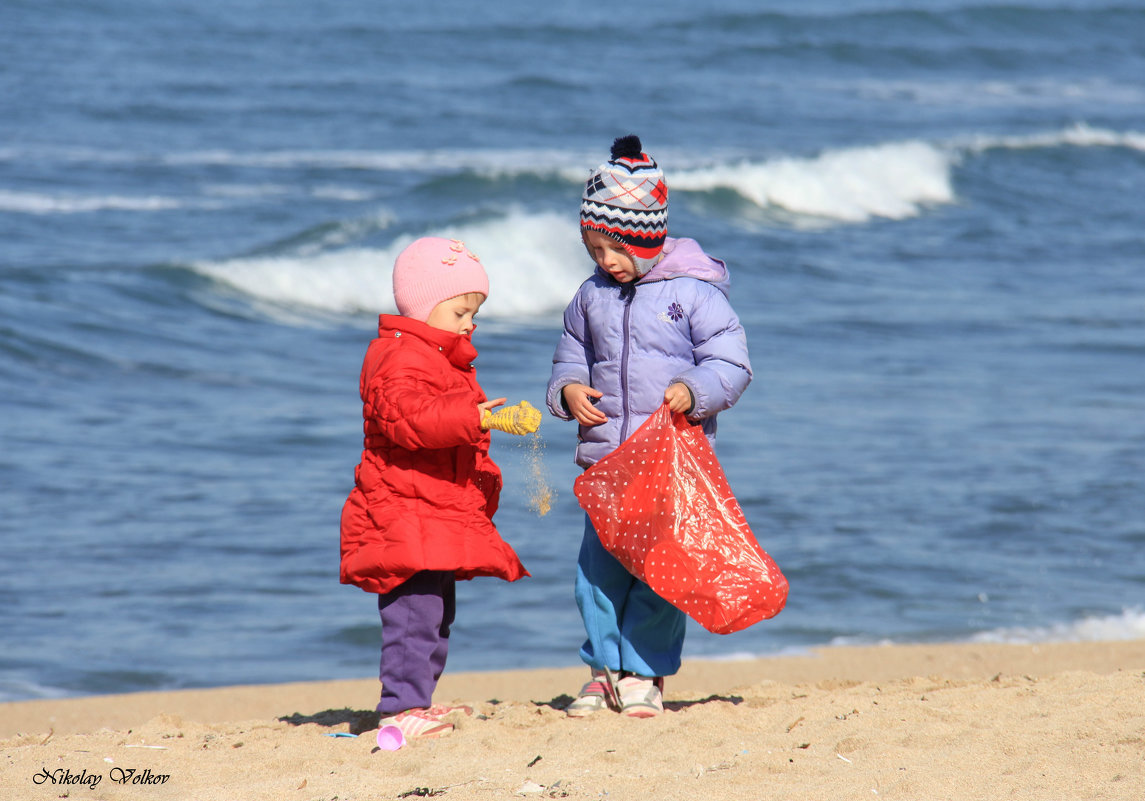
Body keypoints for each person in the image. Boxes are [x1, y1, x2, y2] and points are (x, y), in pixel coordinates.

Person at [546, 135, 752, 718]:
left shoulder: (694, 295)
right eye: (593, 248)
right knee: (598, 572)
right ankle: (602, 670)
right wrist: (567, 392)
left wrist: (695, 391)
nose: (604, 261)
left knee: (660, 573)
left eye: (613, 248)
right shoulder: (590, 297)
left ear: (645, 236)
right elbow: (570, 357)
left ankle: (644, 673)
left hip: (668, 464)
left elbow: (731, 363)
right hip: (606, 463)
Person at [340, 236, 530, 740]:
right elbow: (409, 419)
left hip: (434, 509)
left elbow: (447, 424)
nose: (470, 323)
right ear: (424, 310)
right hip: (403, 508)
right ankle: (400, 706)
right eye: (459, 311)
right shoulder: (398, 358)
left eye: (475, 313)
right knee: (412, 614)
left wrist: (486, 423)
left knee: (439, 612)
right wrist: (471, 417)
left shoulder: (443, 358)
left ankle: (419, 699)